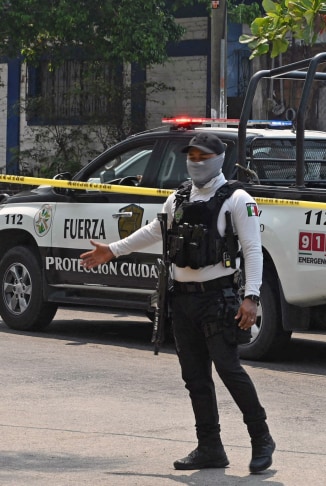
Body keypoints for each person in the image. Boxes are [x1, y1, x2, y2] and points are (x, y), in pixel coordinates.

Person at [80, 132, 276, 474]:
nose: (196, 162)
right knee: (195, 377)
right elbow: (155, 231)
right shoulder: (179, 197)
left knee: (229, 370)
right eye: (192, 156)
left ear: (218, 159)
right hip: (182, 300)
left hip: (218, 298)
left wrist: (252, 297)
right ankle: (209, 447)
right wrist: (112, 249)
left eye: (203, 156)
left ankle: (261, 439)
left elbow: (252, 249)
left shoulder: (237, 198)